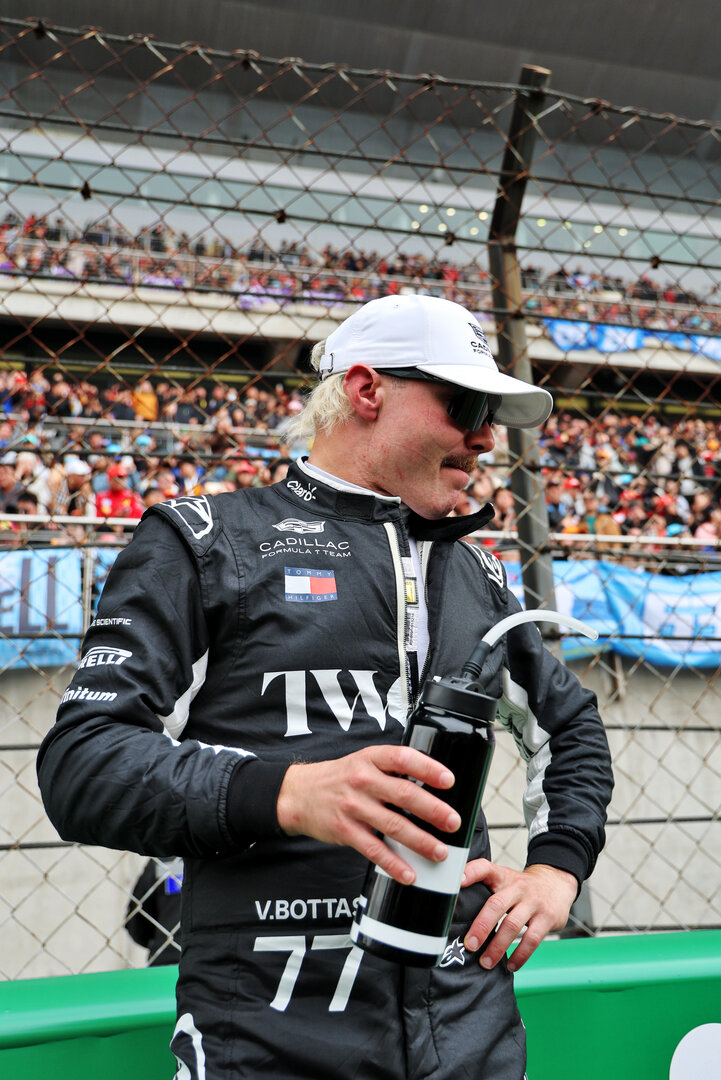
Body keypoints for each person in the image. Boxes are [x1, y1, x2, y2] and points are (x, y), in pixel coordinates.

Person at [37, 295, 613, 1080]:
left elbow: (571, 730)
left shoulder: (473, 570)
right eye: (466, 404)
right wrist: (286, 793)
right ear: (368, 391)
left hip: (470, 1037)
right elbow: (82, 764)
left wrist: (556, 868)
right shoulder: (207, 542)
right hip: (270, 1039)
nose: (485, 436)